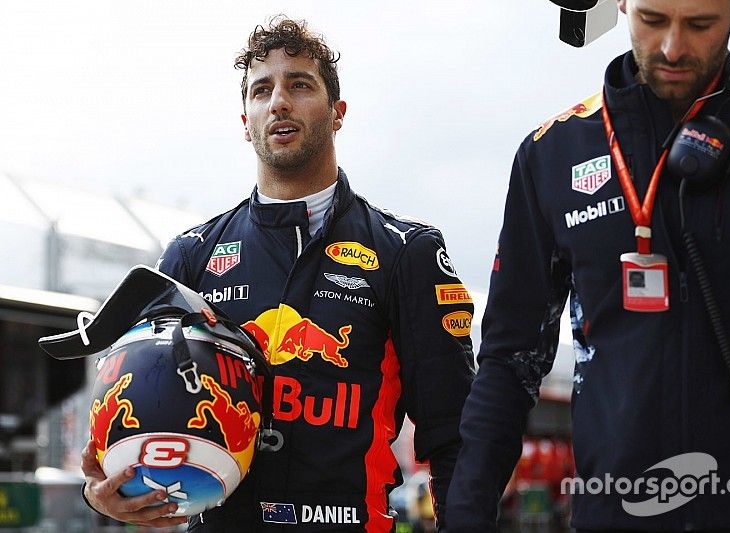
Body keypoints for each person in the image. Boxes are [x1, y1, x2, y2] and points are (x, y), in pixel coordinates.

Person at [79, 16, 475, 532]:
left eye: (300, 85)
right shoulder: (191, 256)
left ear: (337, 114)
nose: (279, 102)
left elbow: (457, 436)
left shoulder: (406, 252)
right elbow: (129, 404)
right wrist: (100, 495)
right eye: (261, 91)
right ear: (245, 121)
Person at [447, 0, 730, 531]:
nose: (672, 47)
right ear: (622, 5)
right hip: (617, 511)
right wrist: (465, 517)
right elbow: (509, 360)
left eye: (699, 25)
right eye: (652, 20)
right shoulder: (553, 154)